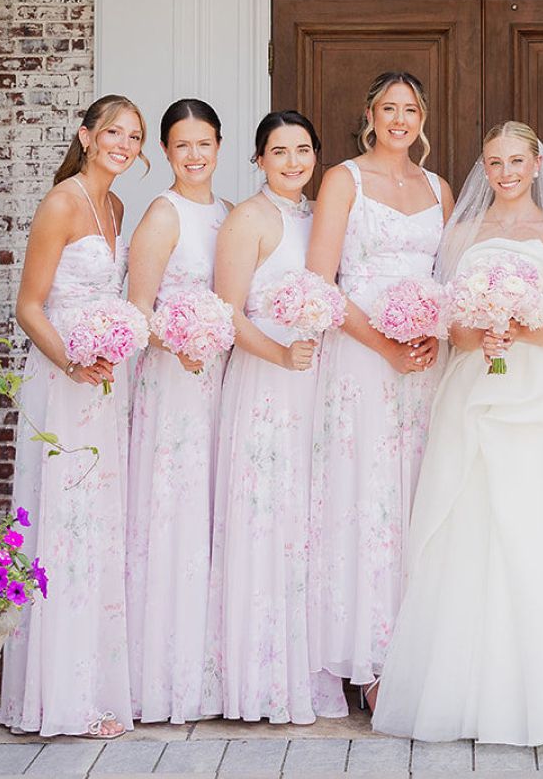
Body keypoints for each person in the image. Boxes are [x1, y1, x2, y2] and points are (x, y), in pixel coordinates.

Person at [371, 123, 543, 746]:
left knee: (535, 535)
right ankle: (465, 694)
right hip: (474, 390)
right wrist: (480, 335)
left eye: (515, 161)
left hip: (538, 397)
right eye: (493, 162)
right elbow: (450, 319)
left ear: (536, 165)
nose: (504, 173)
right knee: (469, 529)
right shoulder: (463, 234)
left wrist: (519, 332)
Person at [0, 94, 146, 739]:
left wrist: (109, 351)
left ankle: (90, 685)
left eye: (135, 136)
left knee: (96, 527)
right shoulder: (62, 201)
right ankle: (58, 696)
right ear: (86, 136)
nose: (124, 143)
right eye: (114, 131)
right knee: (65, 524)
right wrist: (73, 363)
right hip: (64, 382)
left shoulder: (116, 206)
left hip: (103, 386)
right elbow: (30, 306)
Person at [307, 73, 453, 709]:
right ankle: (367, 661)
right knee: (367, 495)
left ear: (424, 116)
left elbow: (452, 281)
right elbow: (321, 282)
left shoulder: (440, 189)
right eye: (389, 108)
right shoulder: (344, 179)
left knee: (418, 497)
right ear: (369, 113)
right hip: (361, 358)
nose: (400, 118)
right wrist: (385, 345)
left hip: (424, 368)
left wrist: (437, 339)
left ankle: (419, 651)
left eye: (411, 108)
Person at [200, 111, 347, 724]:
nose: (293, 161)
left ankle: (307, 670)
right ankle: (258, 679)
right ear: (258, 158)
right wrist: (281, 352)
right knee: (267, 517)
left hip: (317, 383)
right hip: (265, 384)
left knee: (309, 520)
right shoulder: (248, 219)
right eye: (279, 151)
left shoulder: (319, 218)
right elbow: (227, 314)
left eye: (304, 149)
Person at [124, 98, 229, 725]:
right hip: (174, 384)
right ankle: (162, 678)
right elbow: (139, 310)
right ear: (166, 151)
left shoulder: (228, 213)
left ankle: (207, 672)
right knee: (175, 515)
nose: (195, 155)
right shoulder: (163, 215)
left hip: (221, 383)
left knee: (212, 516)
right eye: (182, 145)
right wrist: (181, 342)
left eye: (205, 143)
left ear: (219, 146)